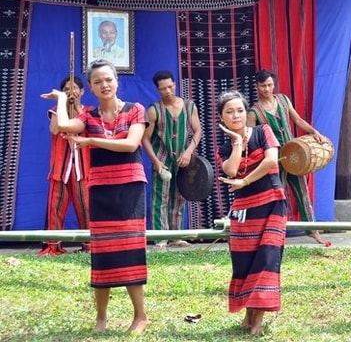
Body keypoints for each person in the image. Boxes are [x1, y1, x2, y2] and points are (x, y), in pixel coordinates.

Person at [41, 59, 149, 335]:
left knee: (131, 251)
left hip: (130, 191)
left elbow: (131, 145)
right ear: (90, 87)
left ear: (117, 81)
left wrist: (91, 141)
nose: (104, 85)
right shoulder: (88, 116)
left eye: (108, 79)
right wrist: (65, 97)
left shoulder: (135, 110)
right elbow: (63, 125)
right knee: (102, 254)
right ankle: (101, 318)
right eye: (98, 81)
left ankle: (141, 316)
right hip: (100, 190)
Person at [216, 90, 287, 336]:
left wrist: (245, 182)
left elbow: (271, 161)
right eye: (229, 111)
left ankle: (258, 321)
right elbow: (232, 170)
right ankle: (248, 314)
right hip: (244, 211)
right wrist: (236, 142)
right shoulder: (225, 147)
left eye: (240, 110)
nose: (236, 115)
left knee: (266, 259)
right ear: (221, 118)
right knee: (244, 263)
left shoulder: (262, 132)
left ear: (247, 112)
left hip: (272, 204)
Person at [247, 69, 329, 246]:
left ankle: (313, 232)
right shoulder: (254, 113)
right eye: (263, 86)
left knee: (303, 193)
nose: (267, 89)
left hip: (294, 155)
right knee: (277, 195)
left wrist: (315, 132)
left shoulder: (283, 100)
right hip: (274, 159)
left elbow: (298, 120)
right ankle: (275, 233)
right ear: (257, 87)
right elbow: (251, 139)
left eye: (270, 85)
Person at [142, 70, 202, 249]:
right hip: (163, 159)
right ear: (158, 90)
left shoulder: (189, 106)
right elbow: (145, 138)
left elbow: (198, 131)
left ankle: (176, 236)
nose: (167, 91)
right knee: (160, 199)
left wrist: (189, 151)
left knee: (179, 197)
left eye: (170, 86)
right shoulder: (154, 111)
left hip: (183, 159)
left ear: (175, 84)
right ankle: (161, 238)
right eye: (163, 89)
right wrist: (155, 161)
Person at [39, 75, 93, 256]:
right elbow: (55, 129)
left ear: (82, 91)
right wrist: (63, 106)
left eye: (74, 88)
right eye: (66, 89)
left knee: (86, 208)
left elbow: (87, 129)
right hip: (60, 168)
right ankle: (52, 247)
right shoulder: (56, 110)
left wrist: (76, 109)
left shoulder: (90, 112)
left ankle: (89, 247)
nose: (71, 91)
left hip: (83, 169)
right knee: (55, 208)